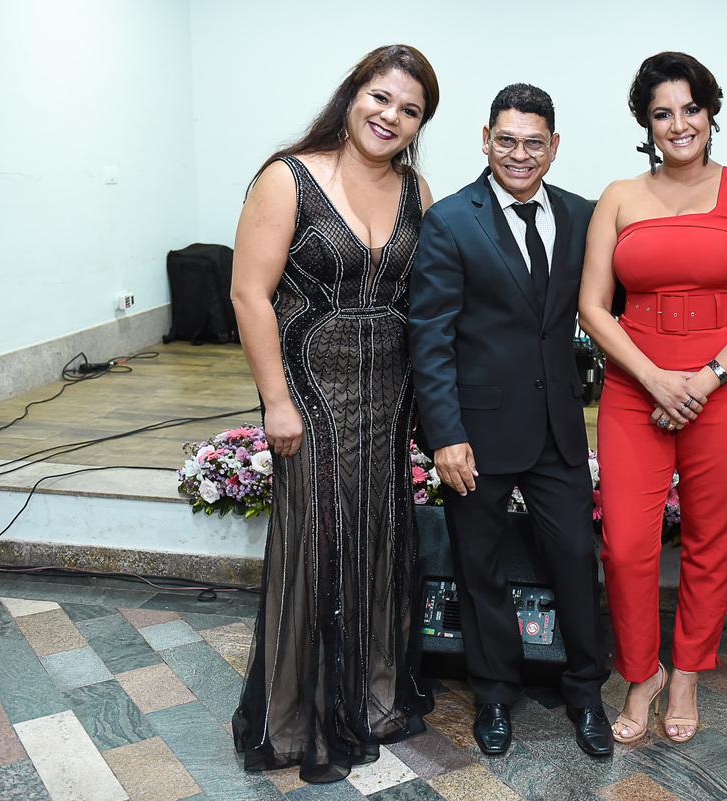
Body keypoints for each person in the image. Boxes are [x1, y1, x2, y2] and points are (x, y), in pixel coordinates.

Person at [229, 45, 439, 783]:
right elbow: (249, 294)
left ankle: (370, 696)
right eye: (381, 97)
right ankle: (304, 714)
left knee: (380, 536)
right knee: (318, 543)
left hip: (390, 393)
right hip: (310, 394)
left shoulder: (417, 191)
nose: (390, 116)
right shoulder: (288, 177)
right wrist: (276, 402)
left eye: (409, 110)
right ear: (353, 95)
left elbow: (427, 298)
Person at [578, 52, 727, 745]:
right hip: (634, 385)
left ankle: (688, 672)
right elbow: (592, 307)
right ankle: (641, 673)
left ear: (711, 113)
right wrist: (654, 378)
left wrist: (701, 380)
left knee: (713, 539)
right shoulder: (618, 196)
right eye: (662, 113)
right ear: (646, 123)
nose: (679, 124)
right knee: (626, 545)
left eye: (691, 109)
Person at [408, 84, 612, 757]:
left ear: (553, 147)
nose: (519, 154)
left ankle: (586, 691)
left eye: (533, 143)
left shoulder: (582, 215)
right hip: (476, 432)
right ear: (485, 140)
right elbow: (430, 337)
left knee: (576, 559)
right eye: (506, 140)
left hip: (557, 427)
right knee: (481, 568)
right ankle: (494, 693)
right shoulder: (450, 220)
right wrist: (445, 435)